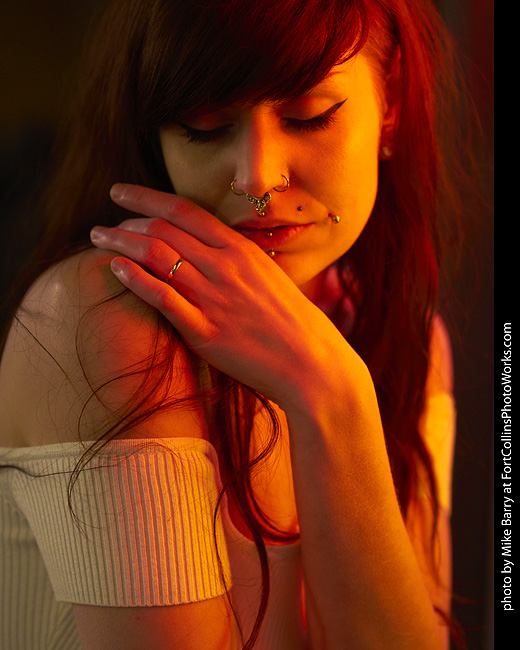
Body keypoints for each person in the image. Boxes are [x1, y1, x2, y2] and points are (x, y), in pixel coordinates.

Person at [0, 0, 473, 648]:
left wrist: (334, 397)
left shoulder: (401, 334)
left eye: (308, 117)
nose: (257, 179)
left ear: (389, 109)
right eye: (205, 128)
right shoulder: (111, 319)